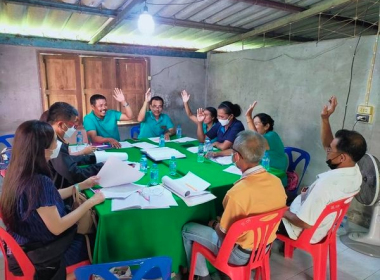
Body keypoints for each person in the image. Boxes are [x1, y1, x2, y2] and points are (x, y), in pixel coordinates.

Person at [0, 120, 105, 280]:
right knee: (99, 240)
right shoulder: (39, 182)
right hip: (43, 254)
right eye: (54, 141)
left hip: (23, 247)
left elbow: (47, 199)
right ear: (42, 149)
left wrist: (79, 186)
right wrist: (91, 202)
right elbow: (57, 227)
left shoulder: (16, 172)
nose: (57, 145)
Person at [182, 131, 287, 280]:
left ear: (236, 156)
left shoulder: (237, 193)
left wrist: (214, 224)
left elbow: (224, 235)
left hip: (239, 254)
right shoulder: (277, 182)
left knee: (188, 229)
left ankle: (202, 276)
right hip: (264, 247)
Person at [280, 96, 366, 243]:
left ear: (342, 157)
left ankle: (249, 252)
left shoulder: (327, 184)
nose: (326, 151)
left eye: (330, 150)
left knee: (259, 208)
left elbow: (304, 222)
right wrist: (325, 119)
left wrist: (281, 211)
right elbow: (330, 145)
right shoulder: (354, 170)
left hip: (300, 230)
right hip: (323, 225)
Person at [43, 102, 103, 190]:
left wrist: (93, 158)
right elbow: (75, 175)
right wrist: (100, 166)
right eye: (73, 124)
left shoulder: (49, 136)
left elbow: (68, 160)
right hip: (57, 191)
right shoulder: (54, 144)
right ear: (61, 124)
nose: (75, 127)